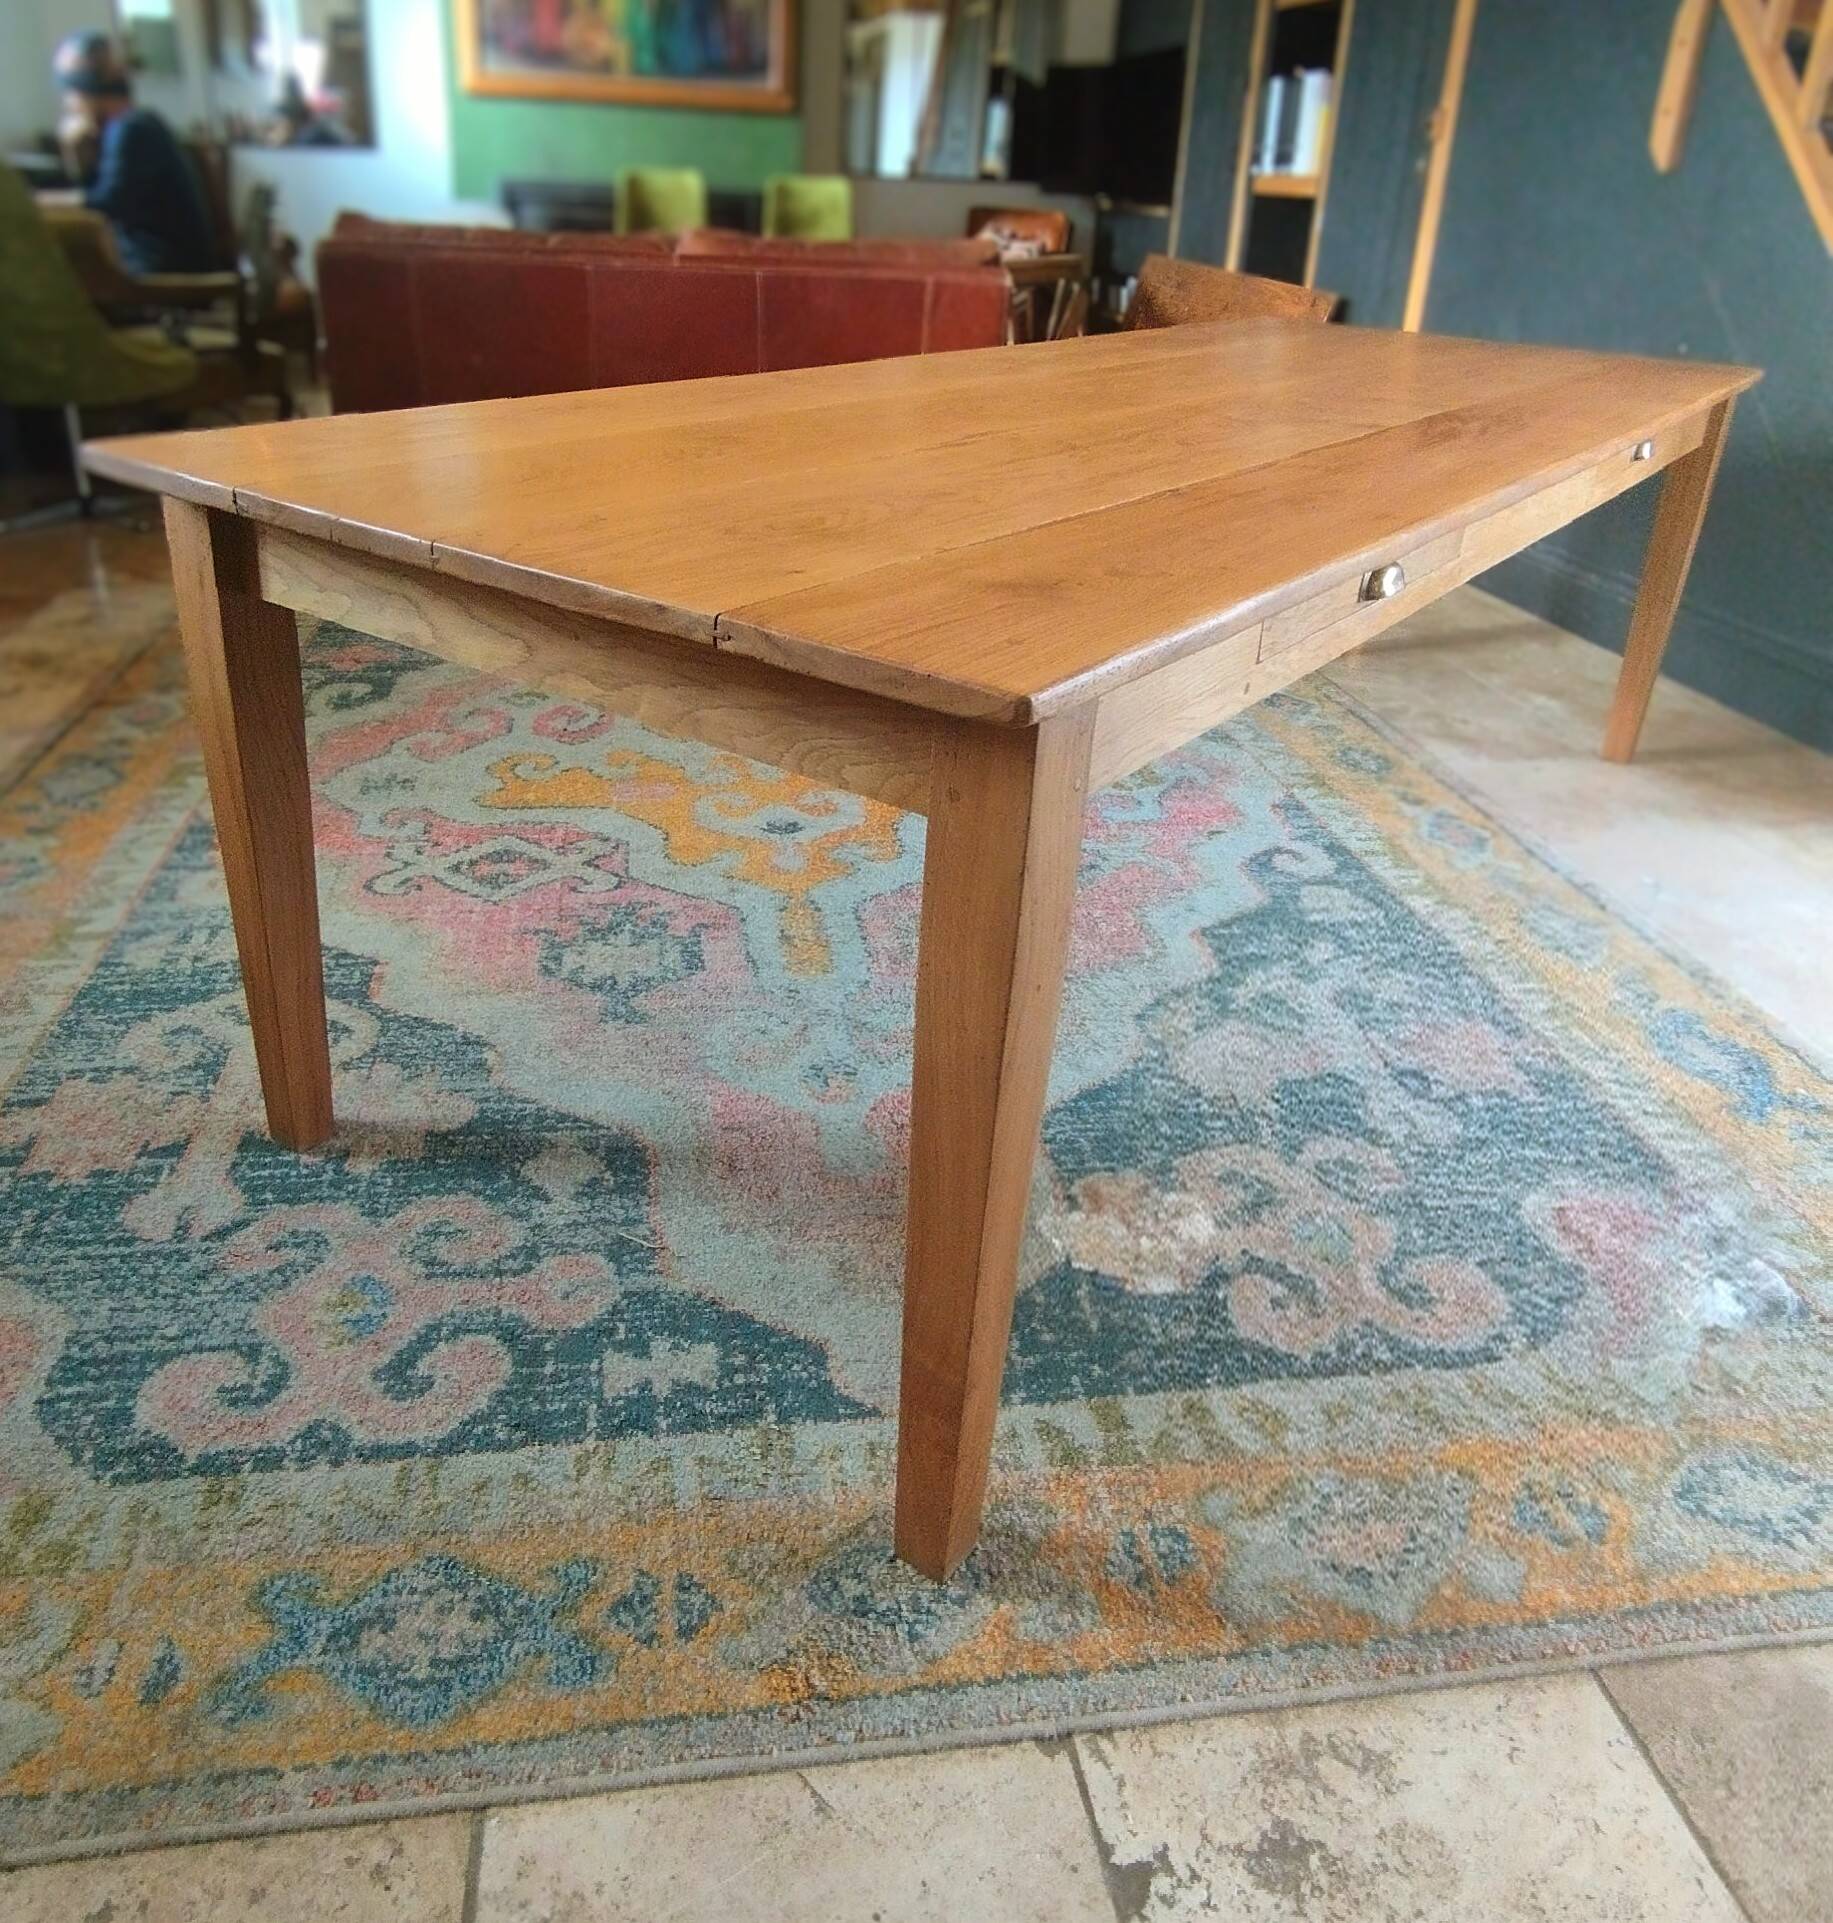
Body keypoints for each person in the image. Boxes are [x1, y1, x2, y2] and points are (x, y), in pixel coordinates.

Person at [52, 32, 216, 276]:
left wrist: (40, 205)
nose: (69, 105)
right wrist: (76, 156)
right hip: (150, 261)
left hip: (162, 269)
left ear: (88, 91)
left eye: (72, 91)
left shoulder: (132, 129)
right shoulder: (127, 127)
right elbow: (106, 199)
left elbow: (107, 205)